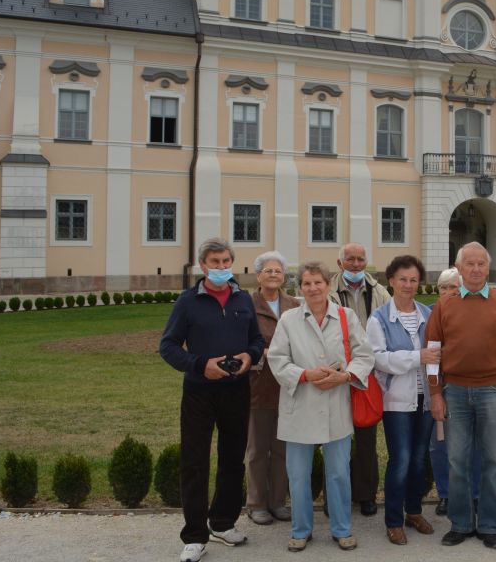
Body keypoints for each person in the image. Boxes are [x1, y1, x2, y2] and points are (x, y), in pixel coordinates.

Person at [159, 237, 265, 562]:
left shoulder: (242, 298)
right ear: (202, 266)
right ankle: (194, 535)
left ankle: (222, 521)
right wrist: (200, 365)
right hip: (199, 393)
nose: (220, 268)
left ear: (232, 263)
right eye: (214, 262)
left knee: (233, 459)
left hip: (236, 390)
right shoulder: (188, 302)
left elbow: (257, 340)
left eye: (225, 262)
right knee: (194, 463)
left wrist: (250, 356)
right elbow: (169, 346)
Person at [268, 260, 374, 552]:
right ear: (299, 287)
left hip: (334, 405)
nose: (313, 288)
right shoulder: (289, 319)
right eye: (307, 283)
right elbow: (277, 359)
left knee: (339, 472)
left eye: (318, 282)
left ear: (328, 285)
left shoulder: (345, 316)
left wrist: (345, 376)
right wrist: (304, 375)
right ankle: (301, 530)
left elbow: (365, 355)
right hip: (299, 405)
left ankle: (342, 529)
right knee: (299, 475)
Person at [427, 242, 496, 550]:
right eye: (469, 264)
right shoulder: (445, 305)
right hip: (454, 391)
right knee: (457, 460)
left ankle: (490, 525)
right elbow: (432, 352)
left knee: (493, 460)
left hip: (493, 391)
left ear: (488, 267)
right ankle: (461, 523)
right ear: (459, 268)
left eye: (481, 263)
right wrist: (435, 393)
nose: (476, 269)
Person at [365, 255, 439, 545]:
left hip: (425, 399)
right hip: (396, 400)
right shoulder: (379, 318)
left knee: (420, 460)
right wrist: (416, 357)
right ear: (391, 281)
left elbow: (436, 356)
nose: (408, 285)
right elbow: (378, 359)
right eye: (403, 279)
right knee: (402, 459)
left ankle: (414, 511)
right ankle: (393, 520)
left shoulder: (428, 315)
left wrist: (437, 392)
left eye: (413, 280)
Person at [330, 242, 391, 517]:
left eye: (360, 259)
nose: (356, 264)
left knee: (365, 437)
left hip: (367, 374)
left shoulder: (379, 292)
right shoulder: (328, 291)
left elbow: (391, 323)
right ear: (340, 262)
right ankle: (336, 497)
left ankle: (365, 494)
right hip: (336, 372)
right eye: (350, 259)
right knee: (334, 438)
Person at [244, 251, 300, 526]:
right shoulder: (246, 304)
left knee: (282, 450)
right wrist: (269, 354)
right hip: (259, 386)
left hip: (289, 389)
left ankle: (278, 501)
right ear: (258, 275)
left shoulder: (293, 304)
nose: (274, 275)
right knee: (257, 449)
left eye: (278, 271)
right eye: (268, 270)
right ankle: (256, 503)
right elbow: (241, 343)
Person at [427, 267, 482, 517]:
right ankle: (446, 494)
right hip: (440, 389)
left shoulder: (473, 312)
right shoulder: (429, 315)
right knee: (440, 445)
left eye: (453, 287)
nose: (448, 292)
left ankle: (475, 494)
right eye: (443, 287)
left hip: (471, 390)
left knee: (473, 445)